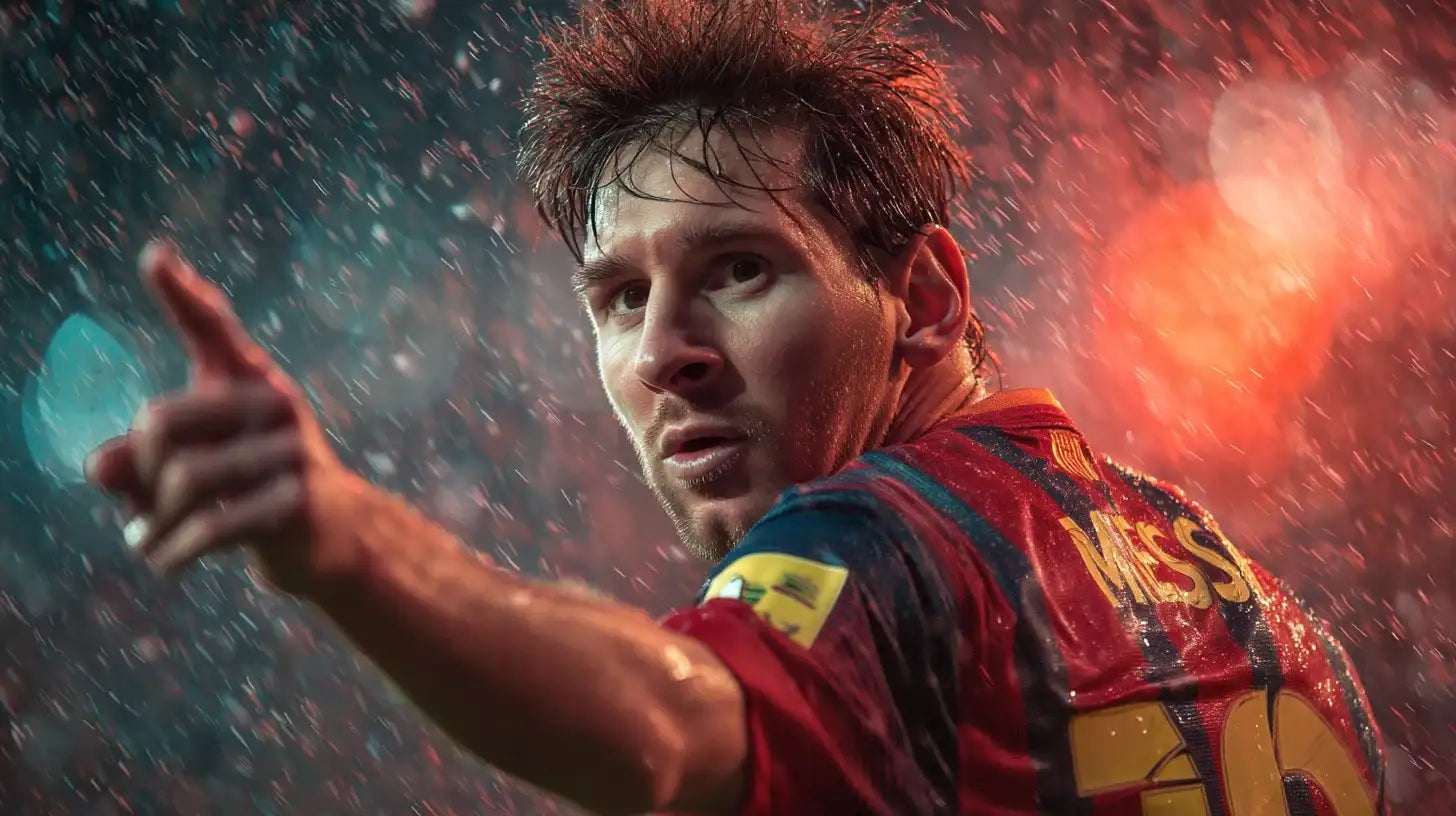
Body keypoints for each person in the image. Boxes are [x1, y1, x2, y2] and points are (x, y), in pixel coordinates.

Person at [85, 0, 1385, 813]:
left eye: (739, 271)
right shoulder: (1256, 605)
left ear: (923, 300)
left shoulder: (879, 550)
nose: (664, 354)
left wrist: (354, 545)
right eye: (618, 297)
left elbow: (664, 729)